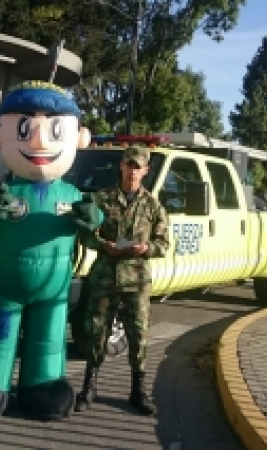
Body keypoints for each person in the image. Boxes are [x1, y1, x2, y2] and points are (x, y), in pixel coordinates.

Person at [0, 80, 102, 425]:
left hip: (54, 292)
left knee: (48, 341)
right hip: (4, 288)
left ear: (79, 137)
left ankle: (42, 387)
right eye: (24, 127)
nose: (40, 141)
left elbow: (97, 219)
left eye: (55, 128)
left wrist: (93, 217)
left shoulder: (73, 193)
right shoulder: (5, 190)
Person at [74, 146, 170, 416]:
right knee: (96, 332)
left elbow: (163, 244)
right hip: (106, 276)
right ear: (121, 166)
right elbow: (85, 234)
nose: (132, 171)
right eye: (128, 165)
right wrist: (104, 245)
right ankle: (89, 388)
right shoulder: (102, 199)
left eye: (137, 167)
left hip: (137, 281)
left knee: (138, 336)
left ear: (146, 171)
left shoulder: (153, 205)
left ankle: (138, 391)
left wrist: (146, 249)